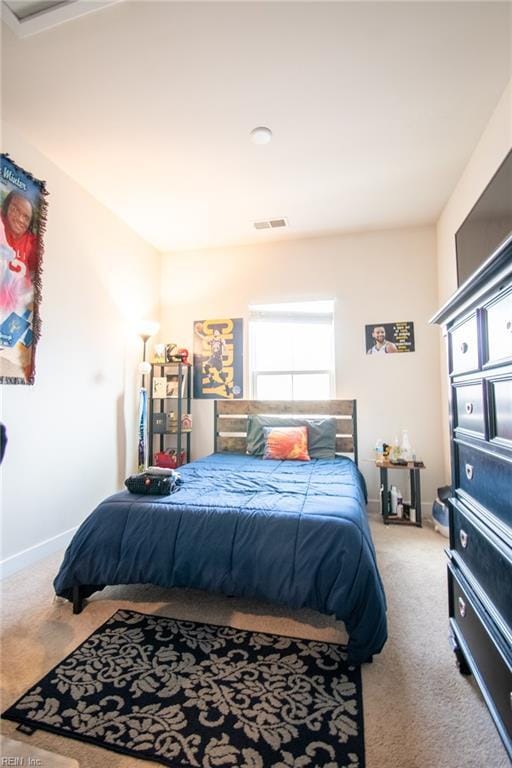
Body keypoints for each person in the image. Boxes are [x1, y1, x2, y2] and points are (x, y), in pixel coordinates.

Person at [1, 191, 38, 276]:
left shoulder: (33, 243)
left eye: (26, 217)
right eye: (15, 210)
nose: (20, 219)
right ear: (6, 208)